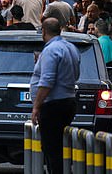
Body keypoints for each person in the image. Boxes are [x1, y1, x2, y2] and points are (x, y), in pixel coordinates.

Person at [30, 18, 80, 174]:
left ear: (44, 32)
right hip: (68, 101)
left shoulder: (51, 50)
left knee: (52, 150)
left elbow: (47, 81)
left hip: (53, 105)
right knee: (58, 147)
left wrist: (36, 107)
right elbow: (76, 74)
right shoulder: (70, 47)